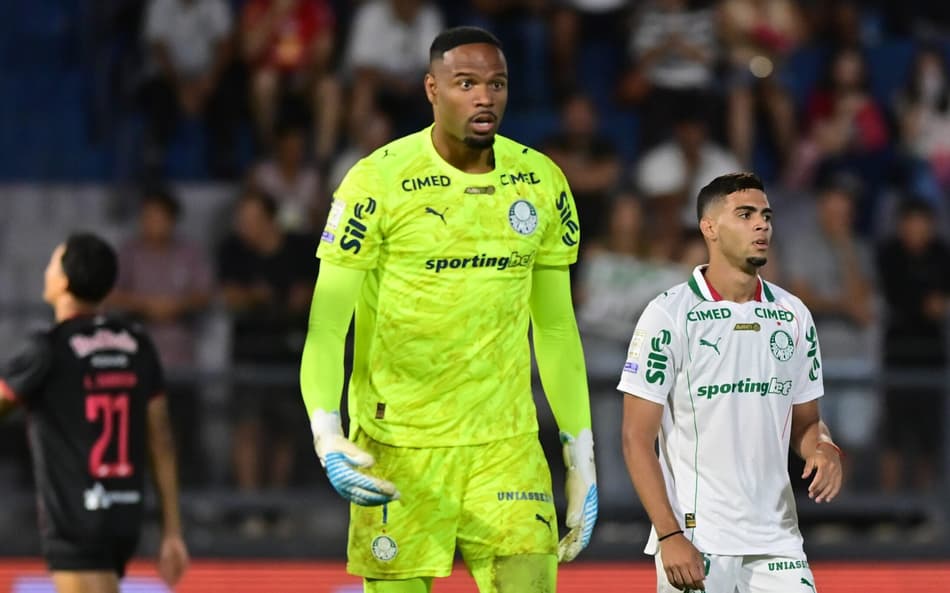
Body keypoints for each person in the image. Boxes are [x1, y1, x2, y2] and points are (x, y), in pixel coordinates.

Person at [300, 26, 598, 593]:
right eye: (466, 83)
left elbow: (556, 329)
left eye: (497, 84)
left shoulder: (540, 183)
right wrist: (326, 432)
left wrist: (580, 455)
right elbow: (326, 324)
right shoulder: (376, 183)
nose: (484, 97)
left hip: (507, 448)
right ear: (432, 89)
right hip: (398, 449)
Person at [619, 173, 843, 592]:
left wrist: (824, 447)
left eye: (766, 216)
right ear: (710, 228)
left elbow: (806, 422)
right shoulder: (667, 316)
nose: (762, 225)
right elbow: (635, 437)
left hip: (777, 540)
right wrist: (669, 535)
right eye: (745, 215)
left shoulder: (793, 315)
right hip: (698, 540)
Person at [0, 234, 188, 593]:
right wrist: (172, 531)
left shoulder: (48, 349)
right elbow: (161, 439)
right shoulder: (137, 345)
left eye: (53, 263)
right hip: (124, 517)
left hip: (74, 520)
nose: (46, 270)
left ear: (63, 282)